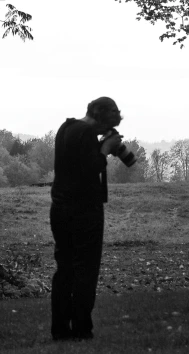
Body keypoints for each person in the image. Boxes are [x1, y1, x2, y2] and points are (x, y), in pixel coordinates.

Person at [49, 97, 123, 341]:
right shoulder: (88, 132)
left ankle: (60, 329)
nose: (104, 132)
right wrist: (105, 149)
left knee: (65, 269)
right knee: (86, 271)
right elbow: (90, 168)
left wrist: (100, 145)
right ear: (99, 115)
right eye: (105, 126)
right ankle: (82, 329)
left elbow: (73, 165)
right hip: (85, 211)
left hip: (59, 208)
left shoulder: (67, 127)